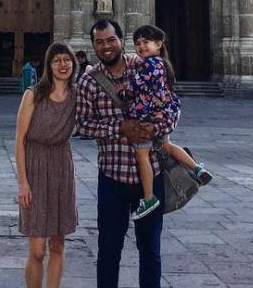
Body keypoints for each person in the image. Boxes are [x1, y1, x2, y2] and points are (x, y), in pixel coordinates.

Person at [75, 19, 177, 288]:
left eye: (110, 40)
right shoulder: (88, 81)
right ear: (94, 46)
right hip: (113, 177)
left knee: (151, 253)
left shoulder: (145, 65)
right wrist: (120, 127)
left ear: (121, 40)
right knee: (108, 252)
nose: (106, 46)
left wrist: (154, 127)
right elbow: (82, 125)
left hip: (151, 179)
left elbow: (172, 107)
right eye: (99, 42)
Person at [128, 25, 211, 220]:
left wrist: (125, 91)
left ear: (158, 44)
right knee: (167, 145)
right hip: (165, 114)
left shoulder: (149, 66)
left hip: (149, 116)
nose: (141, 46)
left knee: (142, 154)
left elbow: (135, 87)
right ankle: (197, 168)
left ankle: (148, 198)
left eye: (145, 42)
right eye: (137, 43)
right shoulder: (162, 64)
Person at [15, 42, 79, 288]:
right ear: (48, 65)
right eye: (57, 60)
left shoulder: (77, 95)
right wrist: (22, 182)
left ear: (74, 64)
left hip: (62, 167)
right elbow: (19, 140)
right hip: (35, 167)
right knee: (38, 250)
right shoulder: (33, 94)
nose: (63, 65)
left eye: (67, 60)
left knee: (58, 244)